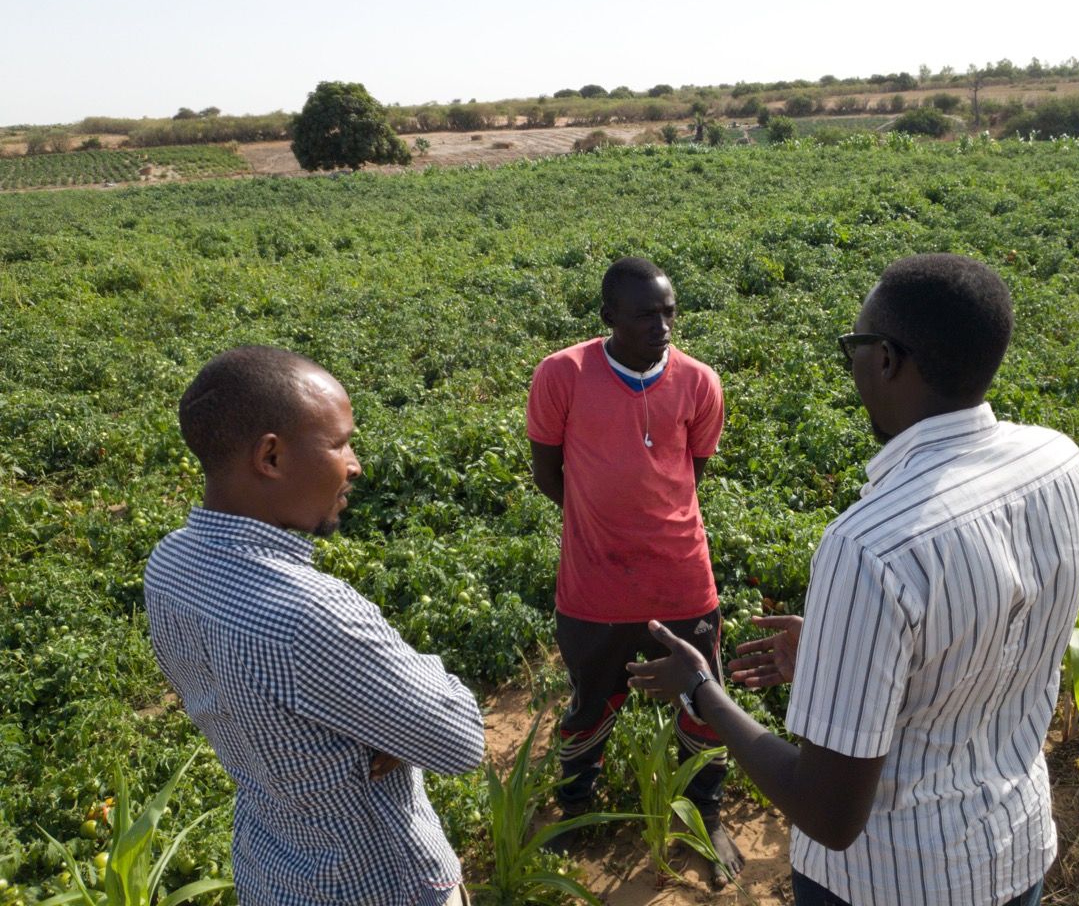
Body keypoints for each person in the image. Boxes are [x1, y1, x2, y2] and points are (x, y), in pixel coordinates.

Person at [626, 254, 1079, 906]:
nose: (850, 363)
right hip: (1015, 855)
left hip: (894, 882)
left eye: (853, 345)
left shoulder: (872, 546)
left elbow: (827, 813)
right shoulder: (1059, 464)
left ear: (886, 359)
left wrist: (702, 690)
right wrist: (838, 655)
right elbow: (985, 647)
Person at [144, 346, 485, 906]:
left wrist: (376, 717)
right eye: (339, 443)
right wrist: (394, 718)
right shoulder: (309, 615)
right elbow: (458, 739)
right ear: (271, 458)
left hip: (274, 868)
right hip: (378, 882)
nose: (354, 464)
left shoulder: (170, 565)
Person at [526, 256, 742, 885]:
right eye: (647, 314)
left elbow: (690, 476)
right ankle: (575, 807)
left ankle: (705, 813)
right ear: (608, 318)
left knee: (704, 695)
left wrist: (645, 520)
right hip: (593, 581)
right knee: (591, 698)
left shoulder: (700, 382)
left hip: (681, 576)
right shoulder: (561, 375)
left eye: (669, 311)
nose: (663, 325)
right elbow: (548, 474)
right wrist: (601, 521)